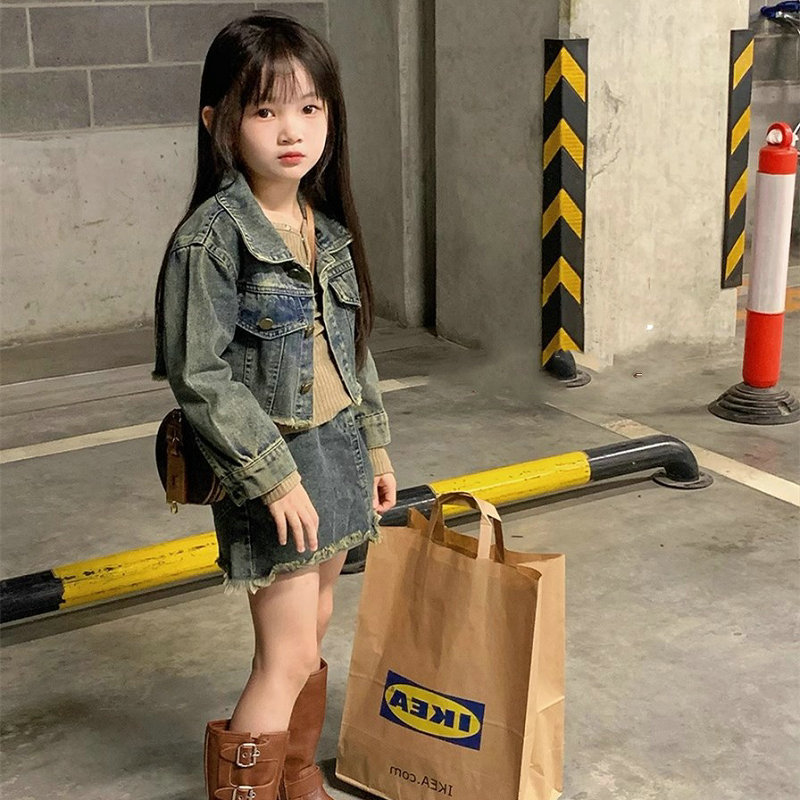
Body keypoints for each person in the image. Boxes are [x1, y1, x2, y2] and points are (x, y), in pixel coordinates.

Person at [152, 12, 398, 799]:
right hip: (274, 466)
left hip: (335, 452)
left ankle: (294, 777)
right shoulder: (210, 240)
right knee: (284, 656)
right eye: (264, 110)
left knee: (314, 627)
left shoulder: (323, 227)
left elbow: (351, 349)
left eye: (309, 107)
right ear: (218, 123)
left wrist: (376, 447)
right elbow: (199, 376)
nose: (292, 130)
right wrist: (272, 478)